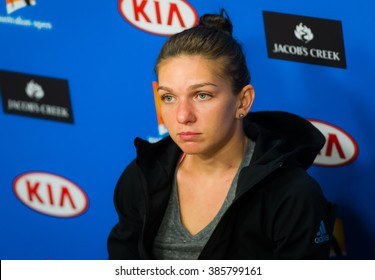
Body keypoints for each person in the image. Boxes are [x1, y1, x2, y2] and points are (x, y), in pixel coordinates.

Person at [107, 10, 334, 260]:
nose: (183, 116)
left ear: (243, 102)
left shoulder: (293, 195)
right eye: (168, 98)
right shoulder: (140, 177)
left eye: (202, 95)